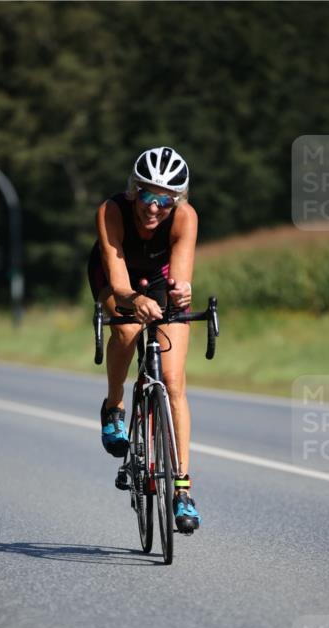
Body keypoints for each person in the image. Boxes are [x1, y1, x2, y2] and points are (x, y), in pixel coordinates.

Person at [88, 146, 202, 533]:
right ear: (134, 189)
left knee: (172, 381)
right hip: (115, 276)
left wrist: (181, 294)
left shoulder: (185, 218)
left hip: (157, 279)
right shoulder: (112, 211)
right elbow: (119, 283)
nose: (154, 208)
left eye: (164, 201)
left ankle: (182, 490)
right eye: (147, 195)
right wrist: (134, 302)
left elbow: (180, 277)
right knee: (127, 327)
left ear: (177, 201)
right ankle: (114, 407)